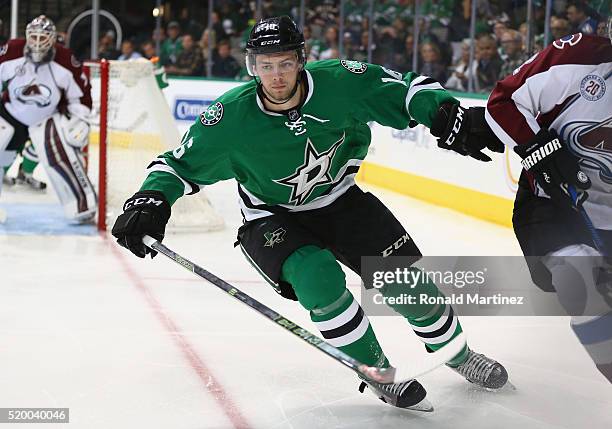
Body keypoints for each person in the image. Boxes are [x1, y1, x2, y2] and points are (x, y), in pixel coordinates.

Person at [111, 16, 508, 410]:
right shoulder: (229, 118)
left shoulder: (340, 82)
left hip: (341, 199)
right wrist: (150, 201)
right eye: (265, 66)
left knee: (409, 287)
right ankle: (375, 370)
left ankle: (459, 354)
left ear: (301, 59)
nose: (276, 76)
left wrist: (439, 111)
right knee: (319, 279)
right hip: (271, 216)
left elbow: (405, 91)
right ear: (253, 66)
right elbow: (176, 165)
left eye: (284, 63)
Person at [485, 26, 612, 383]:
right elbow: (503, 101)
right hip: (555, 207)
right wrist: (539, 147)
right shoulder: (579, 57)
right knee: (580, 285)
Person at [0, 15, 96, 223]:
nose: (36, 42)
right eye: (32, 36)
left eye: (42, 37)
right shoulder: (12, 51)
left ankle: (81, 204)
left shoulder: (65, 60)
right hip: (11, 114)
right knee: (2, 158)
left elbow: (80, 95)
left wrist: (80, 119)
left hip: (46, 119)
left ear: (52, 39)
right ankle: (13, 172)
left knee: (60, 156)